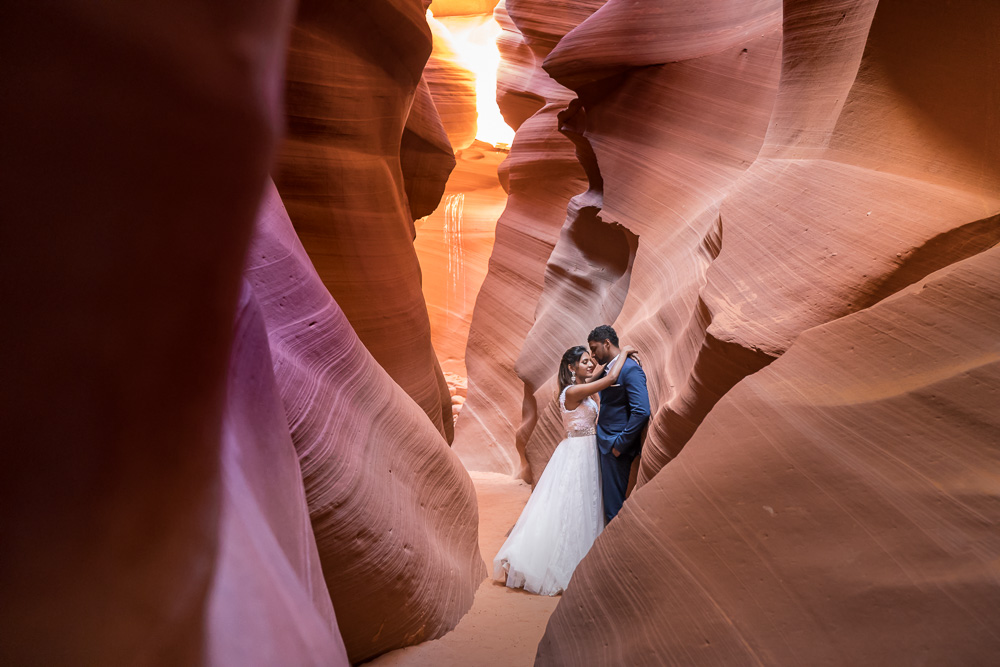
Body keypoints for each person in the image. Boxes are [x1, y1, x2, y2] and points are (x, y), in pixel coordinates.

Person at [493, 343, 637, 595]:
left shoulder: (579, 388)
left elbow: (599, 373)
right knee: (572, 506)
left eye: (589, 361)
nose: (589, 364)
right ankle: (551, 562)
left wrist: (598, 365)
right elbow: (611, 377)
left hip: (587, 449)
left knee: (586, 505)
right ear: (571, 368)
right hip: (578, 452)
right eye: (583, 362)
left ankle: (585, 561)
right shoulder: (572, 392)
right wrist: (623, 352)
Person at [588, 324, 650, 522]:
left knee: (614, 509)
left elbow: (641, 411)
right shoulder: (610, 368)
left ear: (607, 343)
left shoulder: (630, 369)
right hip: (605, 443)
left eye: (594, 348)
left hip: (616, 447)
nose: (592, 355)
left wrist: (619, 445)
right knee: (606, 503)